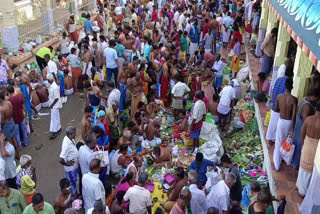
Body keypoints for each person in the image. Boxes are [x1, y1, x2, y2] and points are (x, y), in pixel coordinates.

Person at [296, 101, 320, 197]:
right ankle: (307, 190)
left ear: (315, 108)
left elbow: (302, 133)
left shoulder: (308, 119)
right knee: (312, 168)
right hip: (317, 148)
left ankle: (301, 189)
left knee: (303, 167)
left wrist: (303, 144)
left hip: (307, 145)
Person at [291, 89, 319, 169]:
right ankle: (295, 165)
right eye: (316, 99)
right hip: (301, 126)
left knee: (296, 145)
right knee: (299, 146)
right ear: (313, 97)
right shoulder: (307, 106)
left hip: (299, 125)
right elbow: (305, 120)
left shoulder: (305, 98)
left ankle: (294, 162)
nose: (316, 101)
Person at [273, 79, 297, 171]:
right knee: (286, 141)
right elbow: (294, 115)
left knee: (278, 141)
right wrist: (293, 129)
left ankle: (276, 164)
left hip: (281, 120)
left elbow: (276, 108)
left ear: (285, 87)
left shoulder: (279, 97)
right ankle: (284, 158)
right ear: (292, 87)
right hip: (289, 122)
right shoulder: (294, 99)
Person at [265, 69, 293, 145]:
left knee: (272, 126)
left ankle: (270, 141)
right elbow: (285, 96)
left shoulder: (279, 79)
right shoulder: (288, 82)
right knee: (278, 131)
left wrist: (273, 103)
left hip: (275, 105)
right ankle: (274, 142)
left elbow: (273, 92)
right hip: (280, 109)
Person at [59, 126, 78, 197]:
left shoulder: (69, 139)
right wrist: (67, 164)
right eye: (75, 133)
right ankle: (73, 196)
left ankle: (74, 193)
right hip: (71, 169)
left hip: (74, 167)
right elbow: (60, 159)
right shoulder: (66, 145)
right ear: (71, 134)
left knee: (74, 181)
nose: (76, 134)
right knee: (71, 183)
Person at [7, 85, 28, 149]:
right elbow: (23, 106)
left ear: (8, 92)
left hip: (14, 119)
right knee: (24, 130)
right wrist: (26, 114)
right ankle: (26, 142)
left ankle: (19, 146)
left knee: (17, 134)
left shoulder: (9, 100)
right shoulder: (19, 97)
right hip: (21, 116)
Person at [47, 73, 62, 139]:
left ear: (50, 79)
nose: (47, 81)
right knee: (56, 118)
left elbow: (56, 98)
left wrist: (51, 105)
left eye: (48, 80)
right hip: (53, 105)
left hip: (54, 106)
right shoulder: (52, 85)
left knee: (54, 119)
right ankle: (58, 129)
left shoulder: (54, 87)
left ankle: (55, 132)